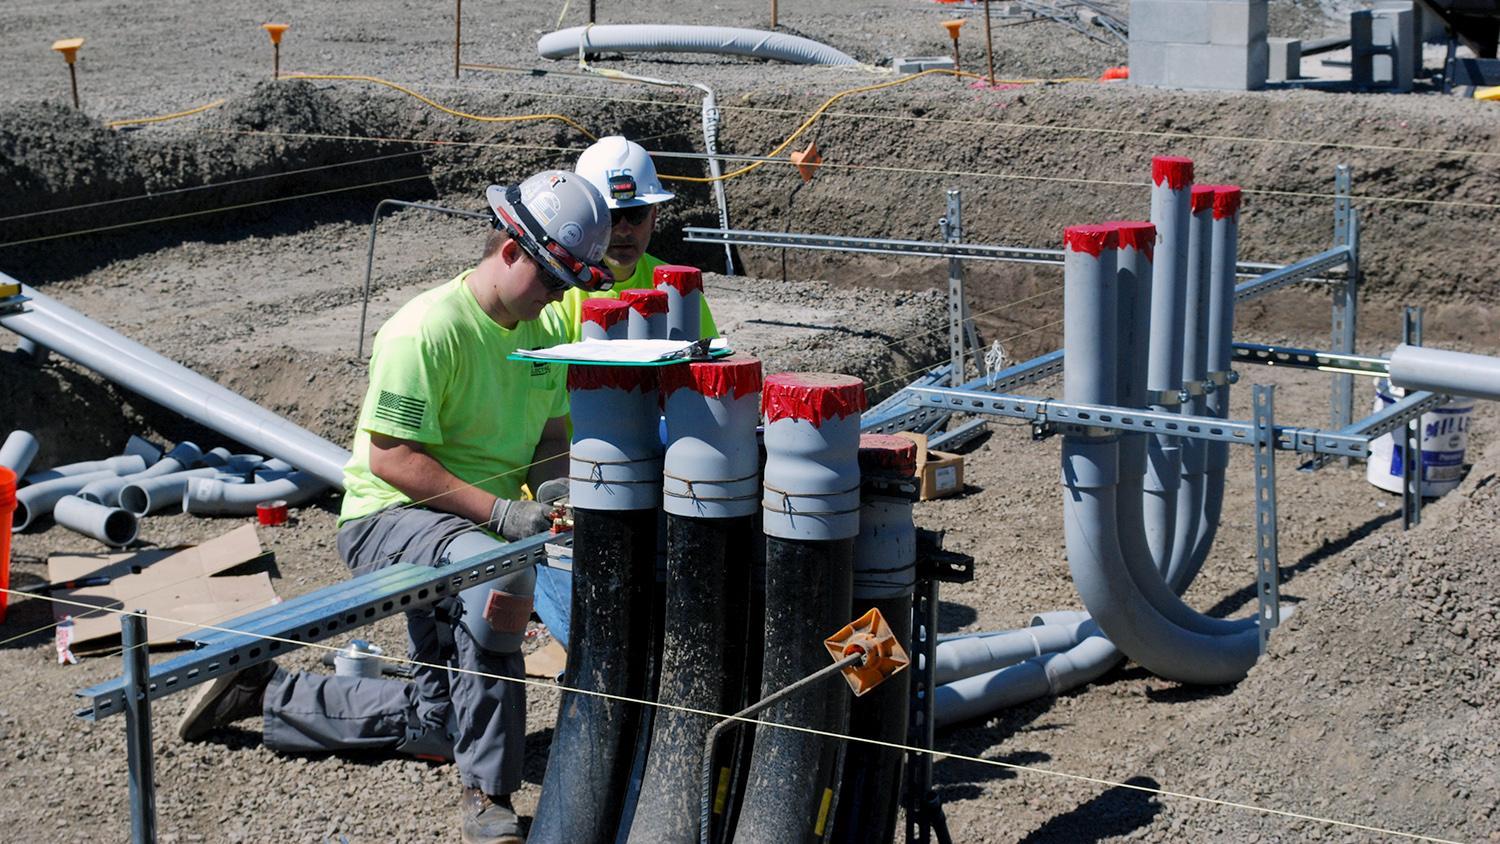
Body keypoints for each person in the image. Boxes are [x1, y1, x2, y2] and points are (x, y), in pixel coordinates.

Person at [175, 170, 616, 844]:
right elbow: (391, 461)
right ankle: (487, 795)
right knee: (499, 580)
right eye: (551, 278)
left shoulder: (546, 328)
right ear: (508, 251)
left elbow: (552, 437)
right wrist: (499, 517)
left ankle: (267, 694)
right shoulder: (426, 330)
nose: (557, 296)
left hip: (463, 522)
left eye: (565, 284)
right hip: (391, 515)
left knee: (436, 718)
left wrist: (556, 492)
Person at [550, 135, 720, 341]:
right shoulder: (558, 292)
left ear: (653, 217)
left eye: (636, 215)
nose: (623, 230)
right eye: (611, 216)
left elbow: (708, 365)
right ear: (587, 218)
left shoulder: (676, 288)